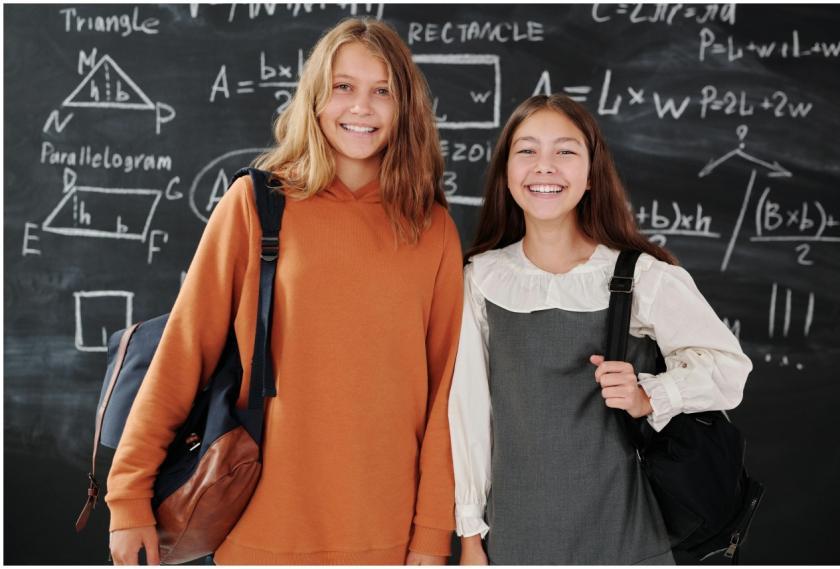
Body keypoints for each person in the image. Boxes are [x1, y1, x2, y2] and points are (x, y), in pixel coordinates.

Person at [107, 18, 463, 565]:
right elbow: (184, 352)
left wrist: (432, 534)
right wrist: (128, 495)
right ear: (316, 99)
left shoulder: (431, 227)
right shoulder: (256, 205)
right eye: (343, 87)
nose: (361, 108)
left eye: (382, 91)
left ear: (405, 107)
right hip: (259, 529)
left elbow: (446, 397)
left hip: (388, 535)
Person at [448, 94, 752, 565]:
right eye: (526, 151)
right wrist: (470, 536)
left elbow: (730, 368)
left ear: (591, 175)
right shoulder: (481, 280)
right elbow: (468, 413)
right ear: (506, 172)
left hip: (627, 529)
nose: (544, 167)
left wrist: (650, 395)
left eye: (565, 151)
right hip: (518, 531)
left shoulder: (640, 277)